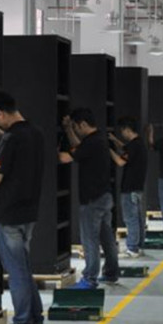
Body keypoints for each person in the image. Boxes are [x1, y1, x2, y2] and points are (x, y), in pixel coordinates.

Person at [0, 90, 48, 324]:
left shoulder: (12, 138)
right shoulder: (36, 133)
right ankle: (36, 322)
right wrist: (2, 137)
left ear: (0, 114)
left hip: (9, 215)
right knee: (24, 270)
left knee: (16, 273)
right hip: (29, 212)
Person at [60, 108, 120, 287]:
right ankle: (111, 272)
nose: (75, 130)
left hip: (92, 199)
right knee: (106, 237)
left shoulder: (92, 143)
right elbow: (79, 148)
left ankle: (89, 278)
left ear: (83, 124)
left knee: (90, 239)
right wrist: (68, 129)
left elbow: (65, 158)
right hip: (104, 196)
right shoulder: (97, 139)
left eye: (76, 127)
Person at [109, 116, 148, 259]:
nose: (122, 133)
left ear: (127, 129)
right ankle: (138, 246)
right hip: (137, 187)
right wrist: (114, 140)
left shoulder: (134, 145)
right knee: (138, 219)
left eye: (122, 131)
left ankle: (132, 248)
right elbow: (125, 149)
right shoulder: (139, 143)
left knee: (130, 218)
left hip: (129, 187)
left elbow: (120, 162)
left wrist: (108, 150)